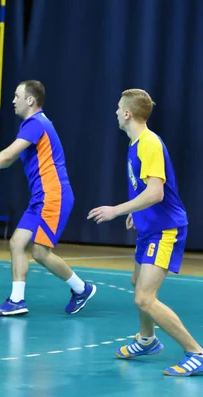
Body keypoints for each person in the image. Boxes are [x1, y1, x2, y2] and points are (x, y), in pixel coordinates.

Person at [87, 89, 203, 376]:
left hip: (165, 229)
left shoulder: (149, 144)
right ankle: (147, 340)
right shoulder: (135, 143)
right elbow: (145, 191)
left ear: (127, 113)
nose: (115, 112)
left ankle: (196, 352)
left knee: (144, 298)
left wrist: (119, 210)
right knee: (137, 281)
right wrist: (137, 214)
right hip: (150, 226)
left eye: (118, 108)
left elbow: (155, 192)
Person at [0, 80, 96, 316]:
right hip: (41, 197)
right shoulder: (32, 126)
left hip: (54, 195)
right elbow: (10, 158)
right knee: (17, 242)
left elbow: (7, 156)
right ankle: (16, 301)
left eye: (16, 96)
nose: (13, 100)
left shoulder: (35, 123)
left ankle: (81, 288)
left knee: (40, 252)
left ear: (30, 100)